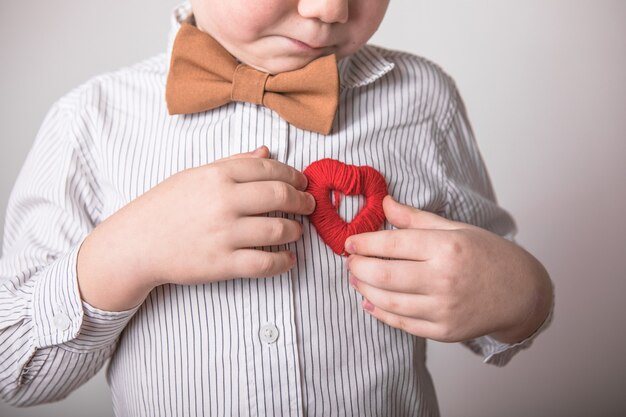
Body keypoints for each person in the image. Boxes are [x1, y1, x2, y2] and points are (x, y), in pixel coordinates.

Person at [0, 0, 554, 416]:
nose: (329, 8)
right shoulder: (89, 123)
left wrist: (521, 294)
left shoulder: (423, 99)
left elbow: (488, 290)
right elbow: (13, 370)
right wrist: (129, 251)